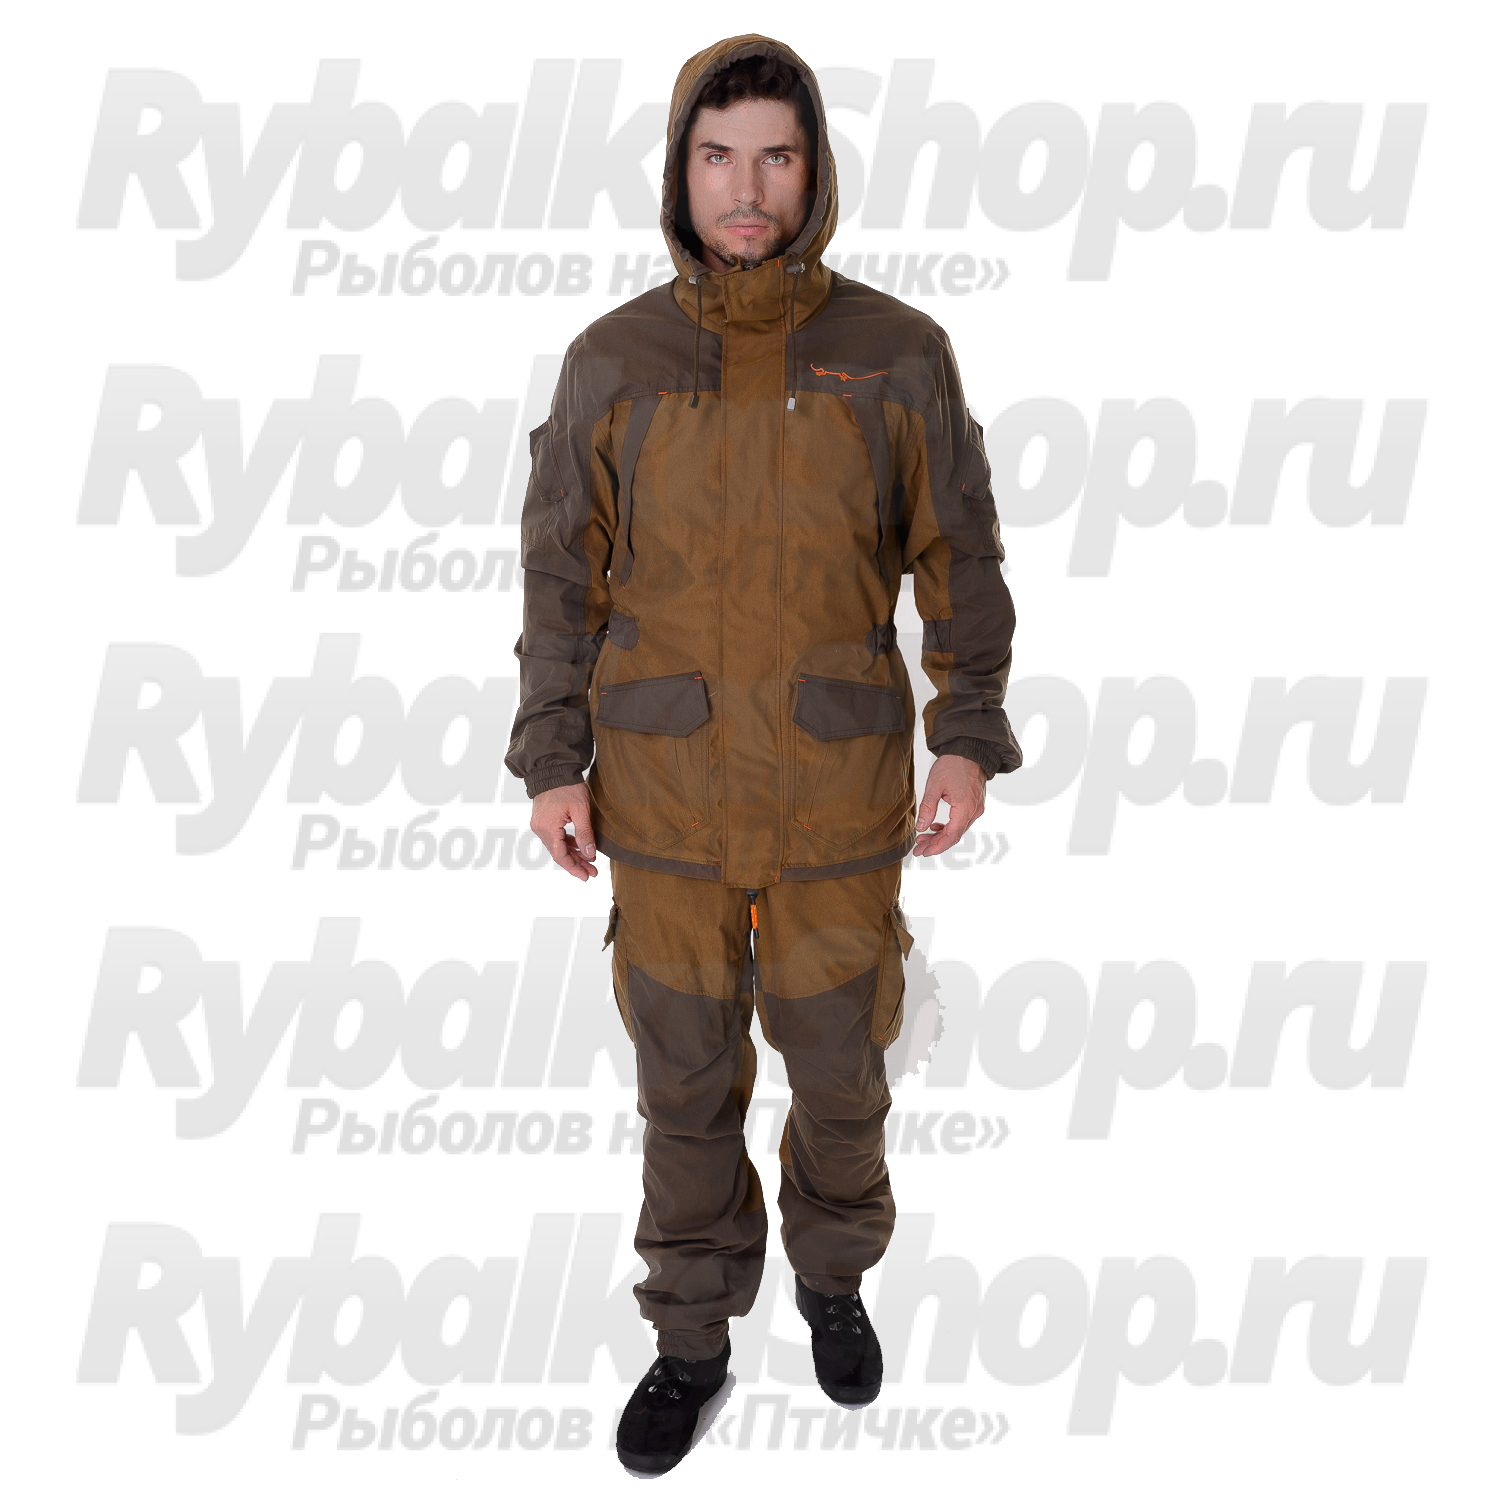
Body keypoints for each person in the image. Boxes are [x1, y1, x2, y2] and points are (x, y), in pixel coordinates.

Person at [503, 33, 1022, 1474]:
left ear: (815, 171)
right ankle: (691, 1336)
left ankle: (835, 1279)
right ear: (680, 172)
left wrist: (968, 732)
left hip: (837, 799)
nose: (748, 188)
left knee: (842, 1070)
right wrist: (554, 759)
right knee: (683, 1084)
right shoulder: (614, 362)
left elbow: (960, 553)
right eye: (719, 156)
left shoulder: (896, 355)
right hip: (662, 799)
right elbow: (561, 579)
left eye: (776, 157)